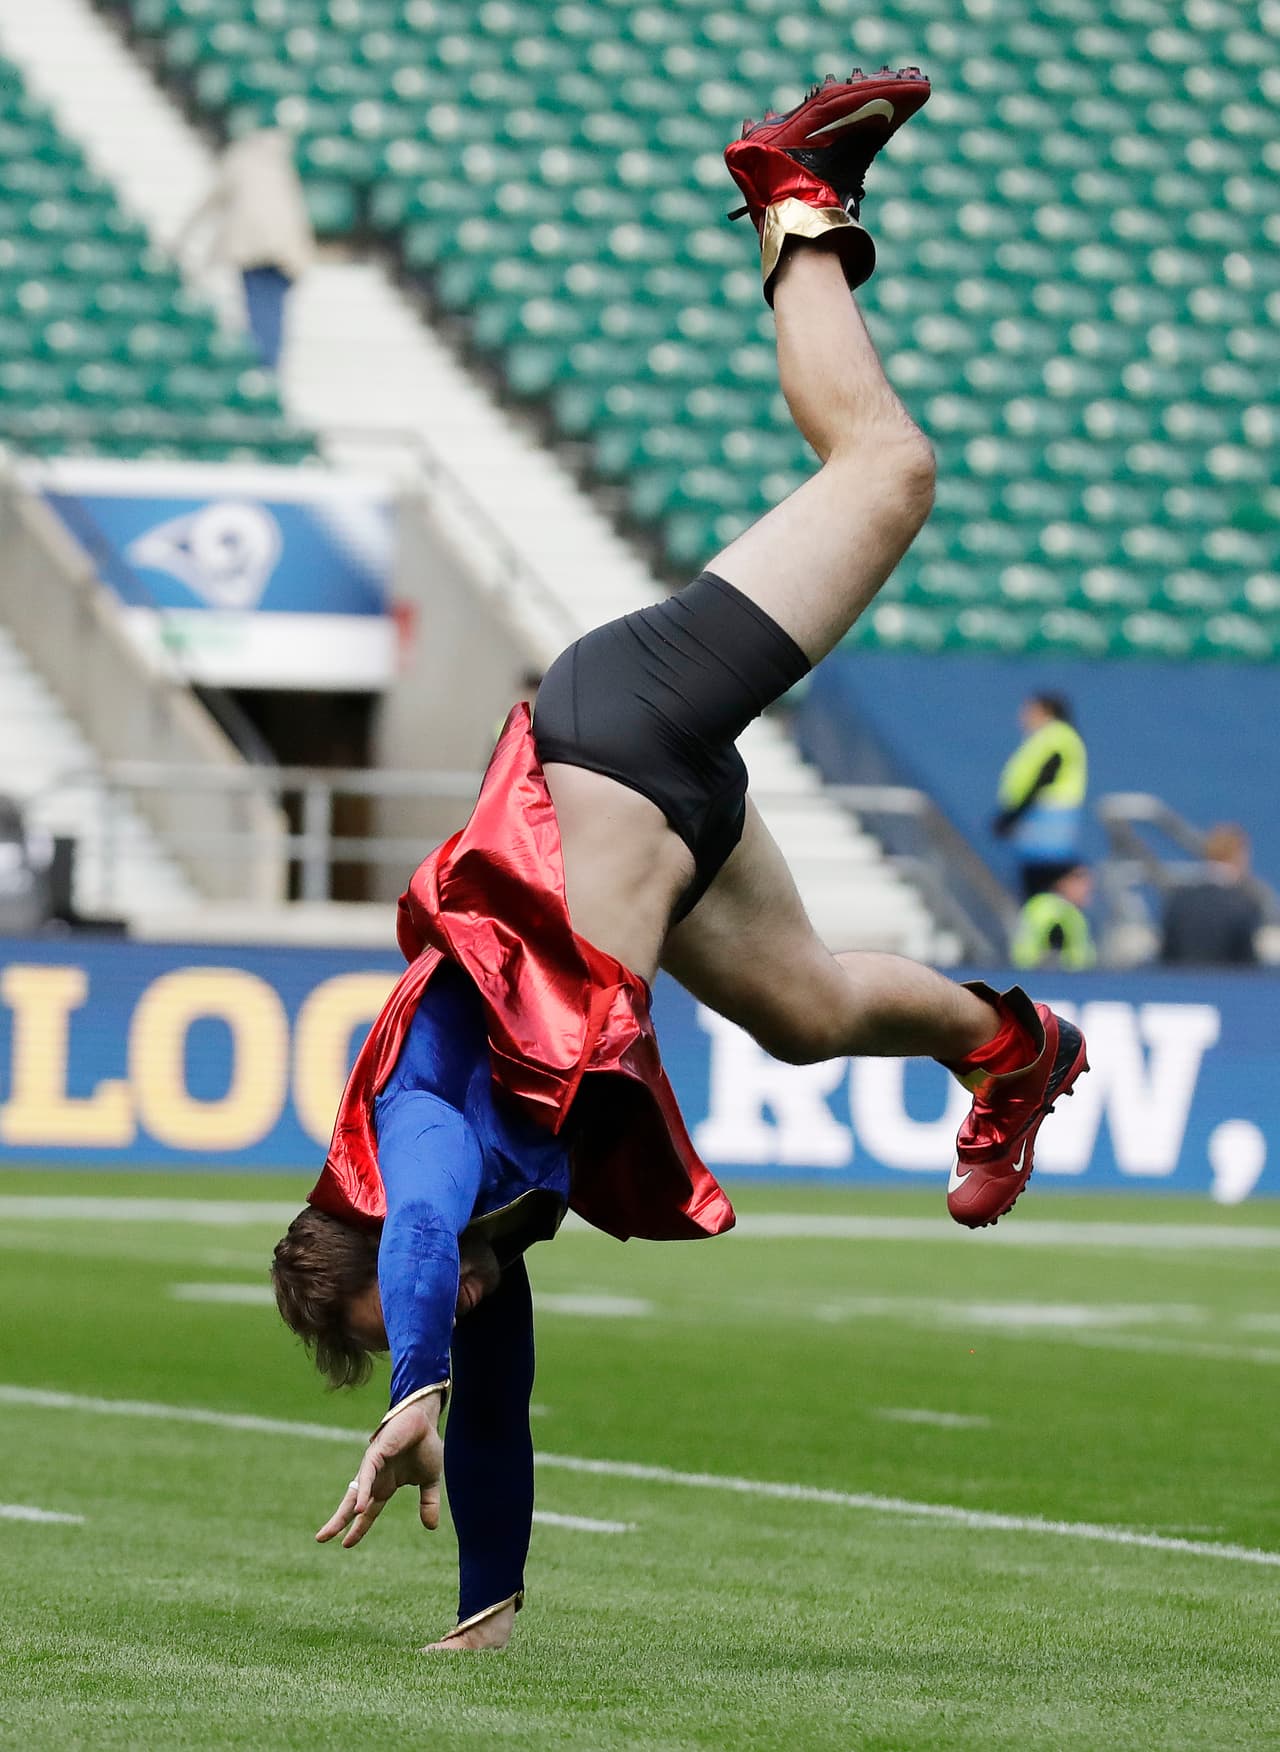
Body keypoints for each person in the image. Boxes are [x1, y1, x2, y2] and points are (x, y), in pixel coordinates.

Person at [271, 67, 1090, 1653]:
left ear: (373, 1244)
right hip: (662, 820)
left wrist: (414, 1371)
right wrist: (484, 1611)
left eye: (401, 1325)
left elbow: (431, 1246)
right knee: (806, 1010)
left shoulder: (410, 1146)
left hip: (616, 733)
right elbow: (497, 1413)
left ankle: (797, 199)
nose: (439, 1331)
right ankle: (1016, 1041)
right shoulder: (482, 1248)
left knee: (888, 476)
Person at [177, 128, 314, 369]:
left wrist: (182, 240)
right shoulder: (280, 165)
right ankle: (267, 366)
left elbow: (212, 202)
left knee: (261, 308)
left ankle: (263, 367)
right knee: (272, 311)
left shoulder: (242, 160)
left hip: (255, 248)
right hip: (282, 253)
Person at [993, 693, 1088, 900]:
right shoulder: (1042, 739)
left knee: (1046, 885)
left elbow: (1045, 776)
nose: (1023, 716)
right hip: (1037, 825)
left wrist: (1014, 814)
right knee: (1036, 884)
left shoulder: (1057, 737)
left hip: (1048, 823)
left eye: (1030, 710)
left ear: (1046, 711)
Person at [1161, 824, 1262, 966]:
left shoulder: (1179, 900)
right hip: (1228, 985)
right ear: (1238, 856)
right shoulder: (1243, 906)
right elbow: (1248, 965)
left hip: (1182, 985)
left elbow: (1165, 958)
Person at [1011, 862, 1096, 970]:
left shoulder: (1044, 906)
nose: (1088, 885)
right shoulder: (1057, 913)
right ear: (1061, 882)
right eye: (1079, 877)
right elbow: (1052, 960)